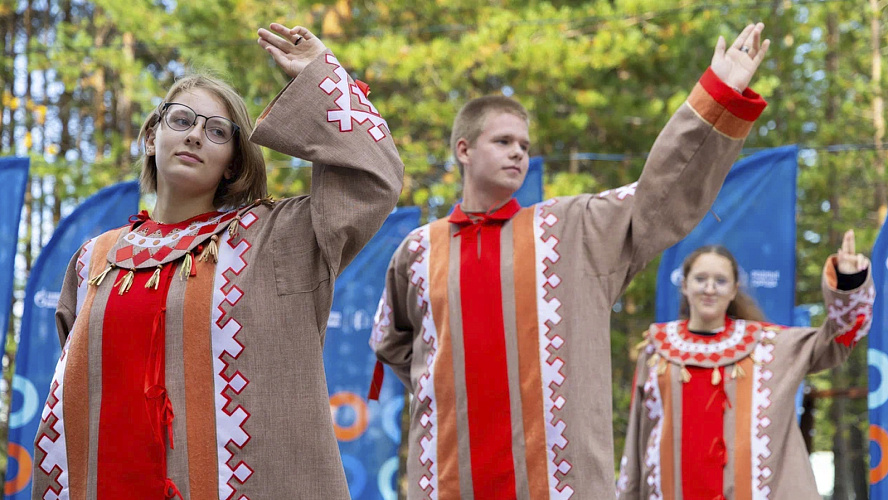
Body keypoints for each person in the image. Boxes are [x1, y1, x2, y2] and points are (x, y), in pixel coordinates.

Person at [371, 23, 771, 499]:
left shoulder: (571, 229)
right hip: (449, 481)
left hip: (557, 484)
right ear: (464, 150)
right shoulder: (418, 249)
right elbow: (393, 343)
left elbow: (660, 192)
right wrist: (457, 391)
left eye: (524, 145)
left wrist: (716, 99)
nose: (518, 153)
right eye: (503, 142)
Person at [31, 24, 403, 499]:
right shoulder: (94, 260)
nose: (195, 137)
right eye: (181, 121)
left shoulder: (278, 240)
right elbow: (73, 402)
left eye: (216, 131)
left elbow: (375, 178)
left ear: (232, 161)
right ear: (151, 137)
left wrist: (321, 76)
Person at [615, 232, 874, 499]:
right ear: (684, 285)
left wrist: (848, 282)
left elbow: (838, 338)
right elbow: (639, 436)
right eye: (700, 279)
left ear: (734, 289)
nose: (710, 288)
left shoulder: (770, 347)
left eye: (720, 280)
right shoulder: (656, 349)